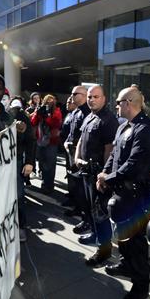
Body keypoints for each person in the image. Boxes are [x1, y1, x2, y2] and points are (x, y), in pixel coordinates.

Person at [97, 87, 150, 299]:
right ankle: (125, 264)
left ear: (130, 102)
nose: (116, 106)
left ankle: (141, 287)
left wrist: (108, 178)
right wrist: (105, 174)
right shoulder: (124, 126)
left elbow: (134, 165)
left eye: (119, 102)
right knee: (122, 236)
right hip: (120, 192)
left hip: (136, 195)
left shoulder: (146, 129)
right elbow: (114, 155)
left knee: (136, 243)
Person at [73, 85, 118, 266]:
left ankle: (104, 250)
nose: (91, 100)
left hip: (98, 174)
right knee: (91, 209)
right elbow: (82, 140)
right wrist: (76, 158)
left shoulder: (109, 120)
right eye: (90, 97)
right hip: (85, 172)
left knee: (101, 214)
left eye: (95, 97)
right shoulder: (90, 116)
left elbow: (110, 150)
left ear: (104, 99)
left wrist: (104, 175)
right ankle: (95, 235)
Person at [8, 97, 36, 242]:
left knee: (18, 194)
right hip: (0, 162)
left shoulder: (24, 117)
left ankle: (21, 226)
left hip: (17, 160)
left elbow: (31, 140)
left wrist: (29, 162)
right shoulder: (2, 115)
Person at [65, 85, 91, 222]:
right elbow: (72, 131)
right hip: (71, 149)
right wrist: (67, 142)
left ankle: (84, 214)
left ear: (84, 94)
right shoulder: (76, 111)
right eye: (72, 94)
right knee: (74, 182)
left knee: (81, 186)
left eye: (76, 94)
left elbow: (84, 135)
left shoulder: (88, 111)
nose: (72, 96)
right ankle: (77, 207)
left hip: (80, 152)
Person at [31, 94, 63, 194]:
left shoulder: (57, 111)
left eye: (51, 101)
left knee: (50, 164)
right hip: (40, 140)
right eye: (47, 101)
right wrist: (38, 113)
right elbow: (33, 122)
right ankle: (44, 184)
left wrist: (47, 117)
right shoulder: (40, 110)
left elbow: (56, 124)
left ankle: (49, 185)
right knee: (42, 163)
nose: (49, 102)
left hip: (51, 141)